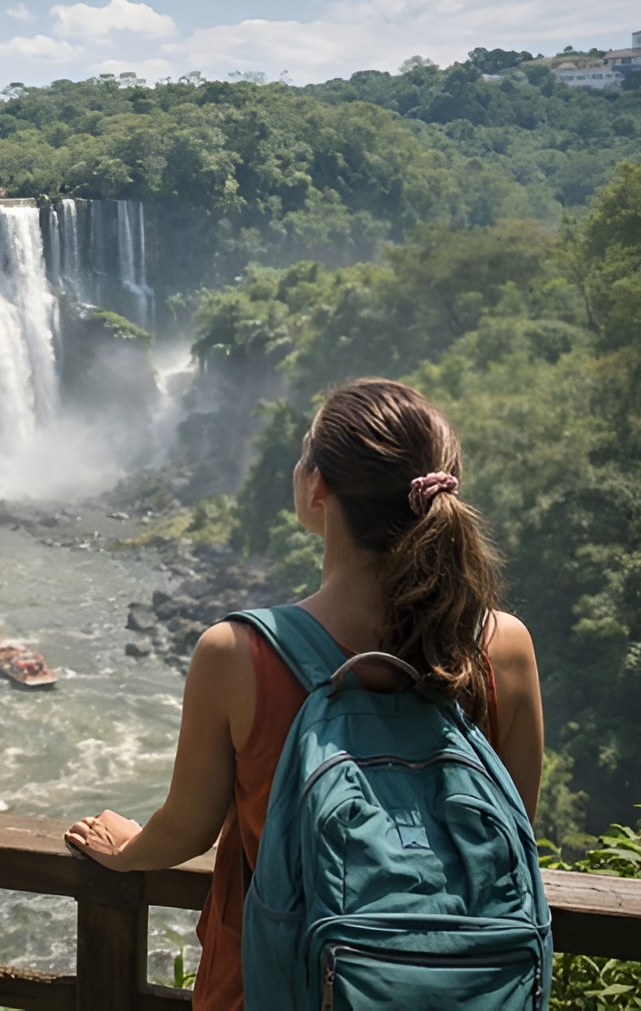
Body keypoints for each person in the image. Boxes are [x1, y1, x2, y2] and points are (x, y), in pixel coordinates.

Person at [65, 378, 545, 1010]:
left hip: (273, 987)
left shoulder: (238, 654)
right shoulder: (501, 646)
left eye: (302, 456)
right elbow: (515, 826)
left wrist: (126, 852)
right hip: (468, 985)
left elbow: (187, 829)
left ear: (316, 487)